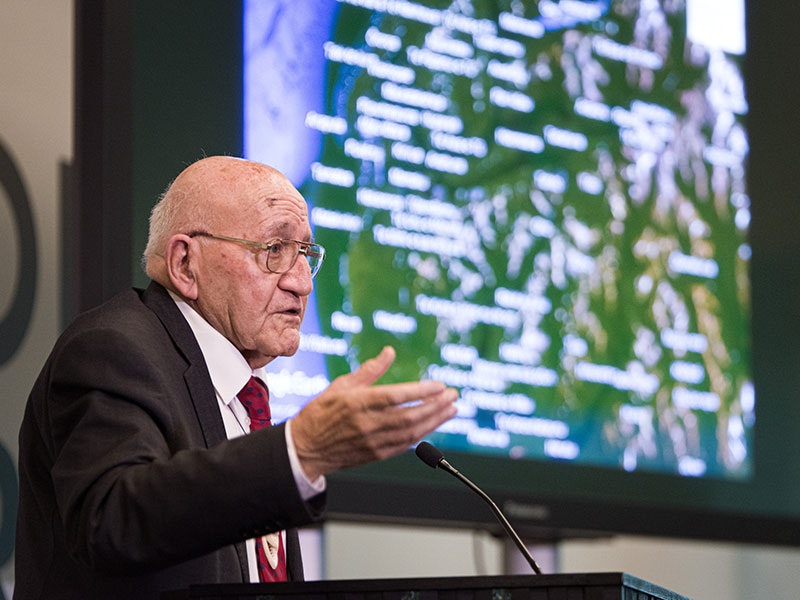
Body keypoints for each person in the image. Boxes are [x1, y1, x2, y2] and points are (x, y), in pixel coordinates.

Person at [14, 156, 457, 599]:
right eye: (275, 251)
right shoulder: (114, 349)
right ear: (186, 264)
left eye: (305, 253)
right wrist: (299, 451)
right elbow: (111, 520)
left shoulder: (245, 394)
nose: (302, 283)